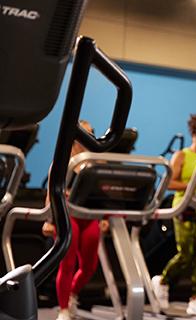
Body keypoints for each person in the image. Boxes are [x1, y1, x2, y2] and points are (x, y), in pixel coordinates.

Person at [42, 120, 108, 320]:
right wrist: (49, 219)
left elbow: (102, 193)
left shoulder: (97, 162)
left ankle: (71, 294)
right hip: (67, 215)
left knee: (90, 266)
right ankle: (63, 309)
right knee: (67, 264)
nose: (90, 137)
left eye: (92, 133)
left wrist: (103, 216)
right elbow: (50, 194)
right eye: (86, 133)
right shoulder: (61, 162)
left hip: (89, 216)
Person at [151, 114, 196, 316]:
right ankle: (162, 280)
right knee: (186, 254)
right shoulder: (182, 155)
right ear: (195, 137)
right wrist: (192, 184)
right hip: (184, 206)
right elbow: (170, 183)